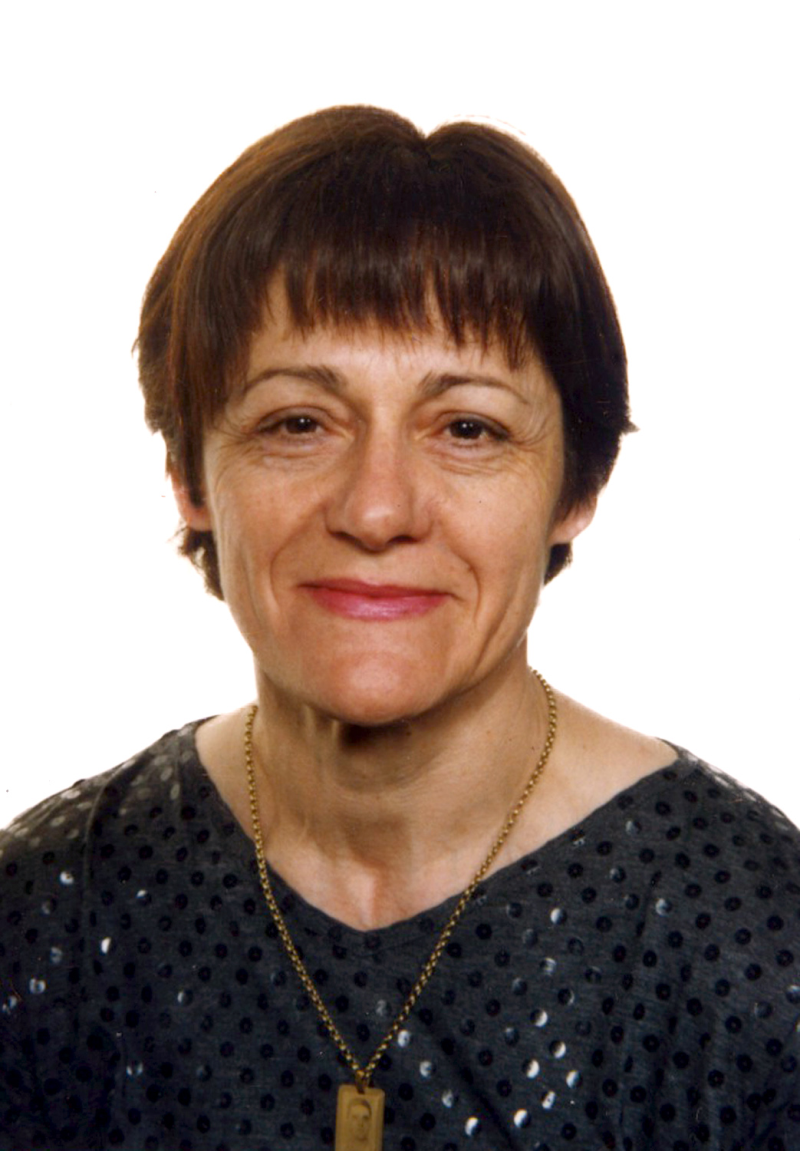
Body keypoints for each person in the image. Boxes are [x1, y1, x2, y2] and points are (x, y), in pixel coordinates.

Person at [1, 105, 798, 1151]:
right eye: (298, 423)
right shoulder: (46, 915)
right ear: (191, 475)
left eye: (467, 427)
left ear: (577, 487)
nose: (377, 510)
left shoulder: (755, 940)